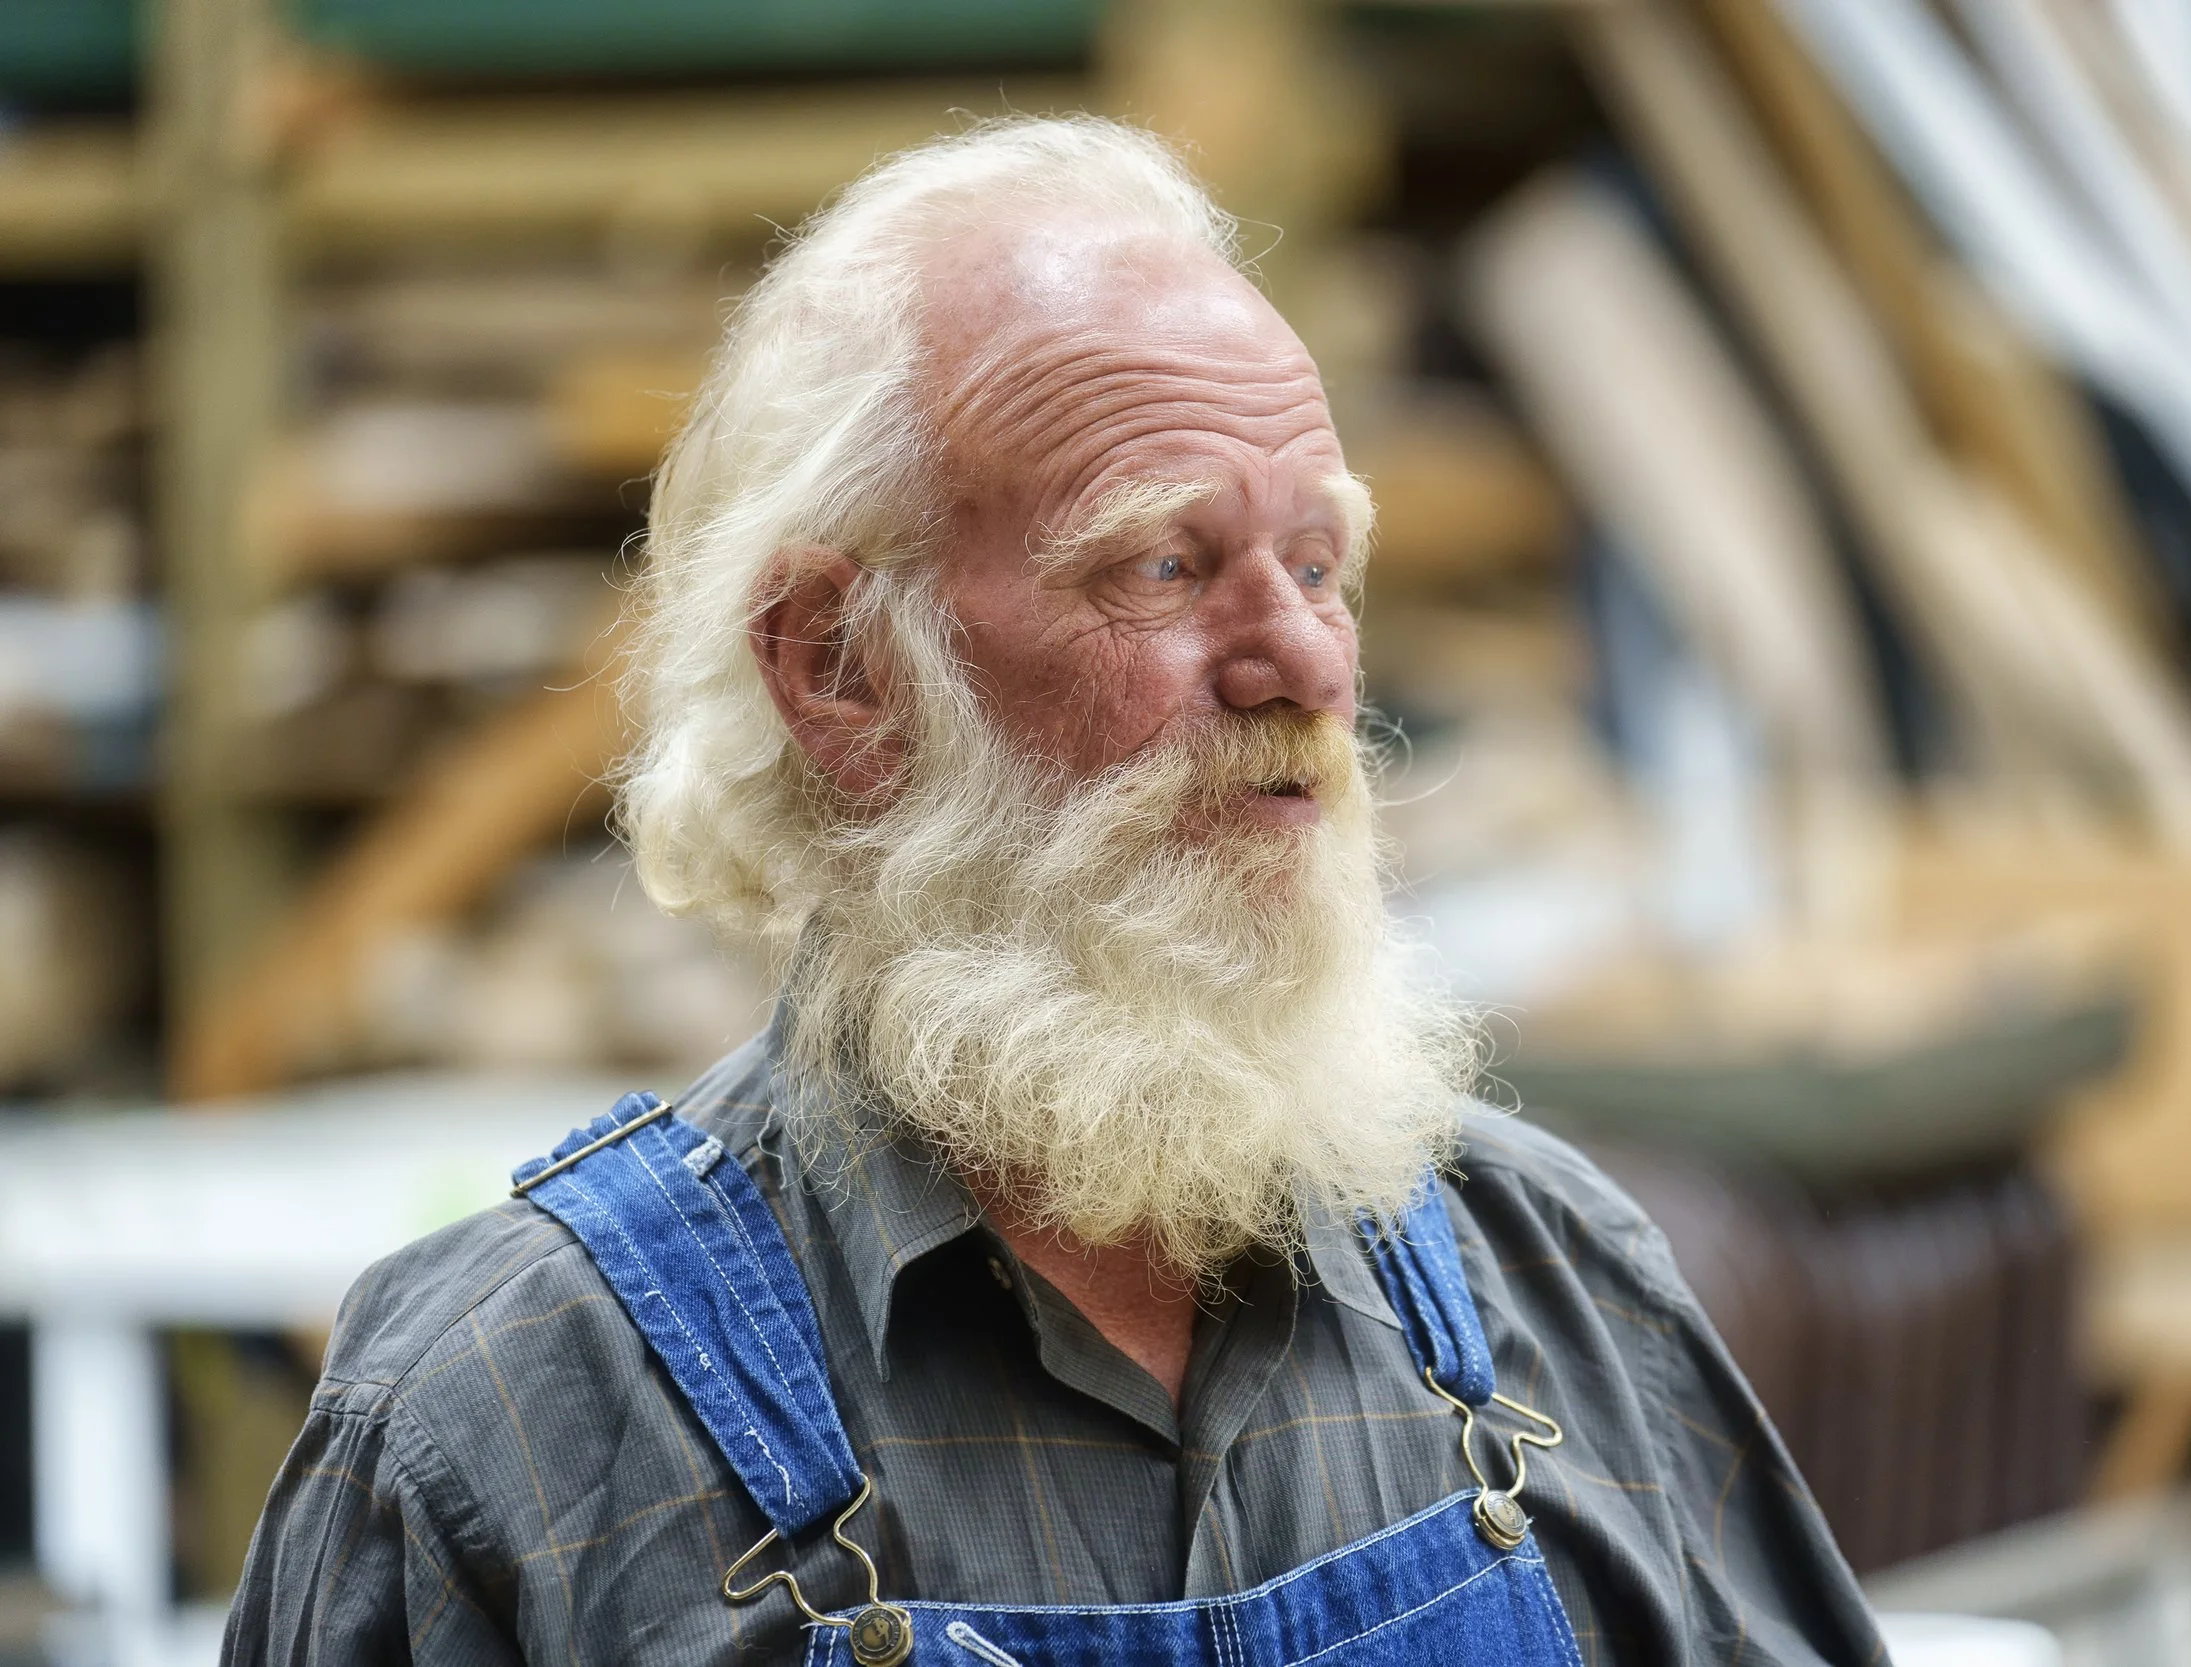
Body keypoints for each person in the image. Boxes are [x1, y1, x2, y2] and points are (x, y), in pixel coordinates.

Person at [224, 118, 1884, 1666]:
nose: (1302, 657)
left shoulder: (1560, 1292)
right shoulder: (505, 1427)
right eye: (1163, 563)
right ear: (841, 666)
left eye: (1320, 563)